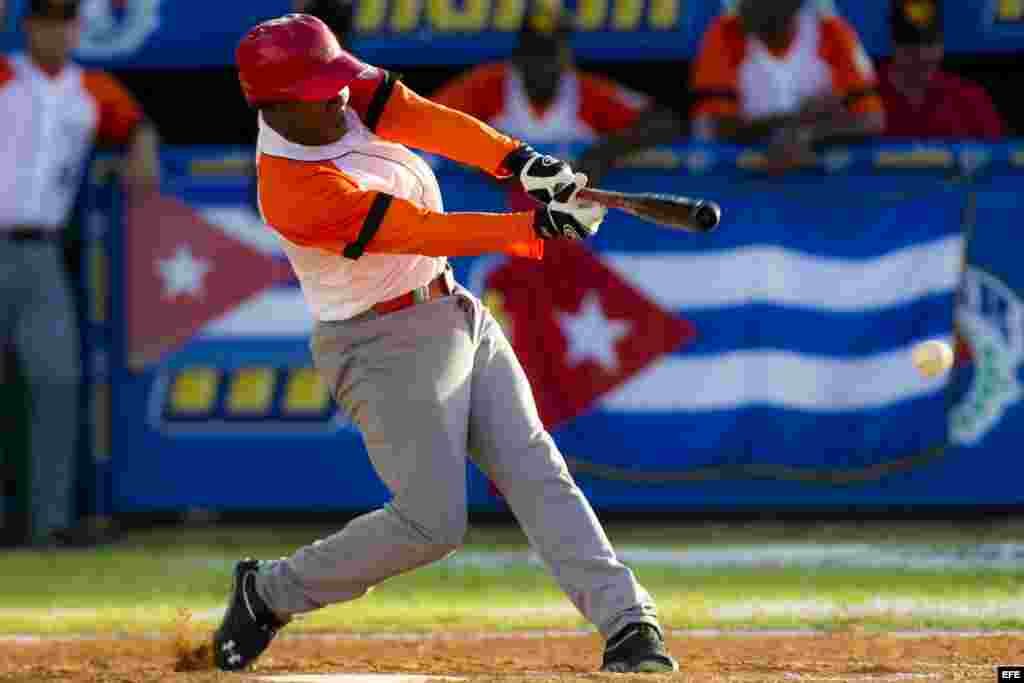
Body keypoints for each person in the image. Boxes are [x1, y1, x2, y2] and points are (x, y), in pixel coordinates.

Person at [216, 13, 678, 675]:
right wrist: (533, 226)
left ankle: (628, 621)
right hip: (377, 343)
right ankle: (267, 593)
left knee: (535, 465)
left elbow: (428, 120)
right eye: (321, 90)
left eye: (337, 79)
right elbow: (416, 229)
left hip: (452, 306)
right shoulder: (292, 190)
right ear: (276, 107)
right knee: (431, 523)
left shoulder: (343, 93)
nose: (341, 95)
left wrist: (523, 162)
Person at [0, 0, 160, 547]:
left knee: (55, 381)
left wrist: (140, 151)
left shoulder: (91, 88)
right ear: (27, 27)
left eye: (64, 22)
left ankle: (47, 525)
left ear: (76, 28)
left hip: (42, 250)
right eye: (45, 21)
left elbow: (137, 127)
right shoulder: (6, 74)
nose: (55, 32)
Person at [430, 4, 682, 185]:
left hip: (569, 220)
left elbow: (664, 122)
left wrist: (605, 152)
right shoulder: (488, 84)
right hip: (493, 213)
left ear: (566, 56)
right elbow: (428, 118)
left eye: (550, 52)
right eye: (534, 51)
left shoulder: (586, 91)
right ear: (518, 53)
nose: (542, 64)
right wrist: (487, 151)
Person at [690, 0, 884, 171]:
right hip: (738, 178)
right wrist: (797, 122)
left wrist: (807, 135)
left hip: (820, 180)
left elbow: (871, 119)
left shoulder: (830, 30)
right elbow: (714, 124)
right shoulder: (725, 31)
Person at [879, 0, 1005, 140]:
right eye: (910, 45)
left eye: (930, 43)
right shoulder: (867, 99)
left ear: (942, 44)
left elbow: (997, 152)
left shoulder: (972, 100)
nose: (922, 55)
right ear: (892, 44)